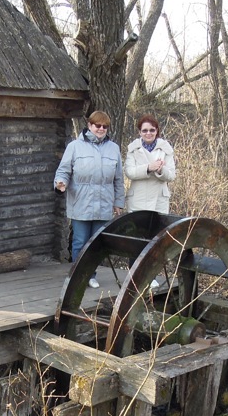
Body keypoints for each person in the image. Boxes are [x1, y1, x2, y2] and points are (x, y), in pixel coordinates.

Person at [54, 110, 125, 288]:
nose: (101, 129)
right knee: (80, 241)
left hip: (104, 204)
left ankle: (91, 275)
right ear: (89, 126)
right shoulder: (74, 147)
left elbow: (118, 178)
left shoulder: (113, 148)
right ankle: (78, 276)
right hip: (81, 203)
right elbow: (63, 170)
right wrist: (60, 183)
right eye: (97, 125)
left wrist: (118, 202)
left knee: (97, 244)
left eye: (104, 126)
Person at [124, 114, 176, 288]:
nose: (148, 133)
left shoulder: (166, 149)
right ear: (140, 132)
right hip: (138, 199)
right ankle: (134, 277)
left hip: (159, 200)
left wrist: (160, 170)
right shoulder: (133, 149)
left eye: (152, 130)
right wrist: (148, 167)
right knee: (137, 239)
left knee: (155, 240)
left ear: (157, 131)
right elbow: (130, 172)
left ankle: (151, 276)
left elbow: (172, 175)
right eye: (144, 130)